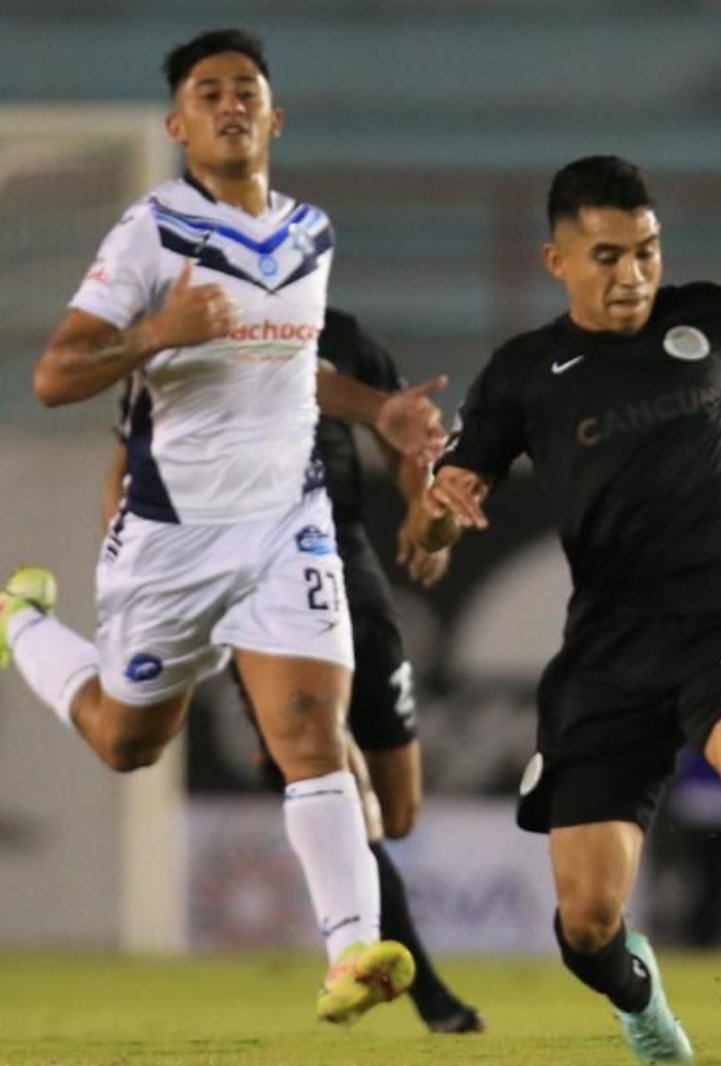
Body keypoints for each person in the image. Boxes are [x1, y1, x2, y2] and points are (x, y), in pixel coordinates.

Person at [0, 28, 447, 1025]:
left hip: (286, 522)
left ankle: (353, 953)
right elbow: (53, 372)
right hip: (173, 536)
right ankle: (23, 624)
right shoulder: (148, 233)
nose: (231, 103)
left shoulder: (310, 233)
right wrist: (154, 334)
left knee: (308, 730)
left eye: (246, 89)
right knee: (124, 741)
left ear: (275, 117)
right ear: (177, 125)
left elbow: (291, 365)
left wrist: (375, 409)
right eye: (208, 92)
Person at [406, 155, 721, 1064]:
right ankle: (641, 1001)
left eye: (646, 251)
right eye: (606, 256)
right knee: (588, 922)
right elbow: (432, 527)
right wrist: (440, 505)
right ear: (557, 261)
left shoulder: (705, 316)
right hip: (606, 649)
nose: (632, 275)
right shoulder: (524, 372)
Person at [97, 307, 484, 1032]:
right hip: (262, 591)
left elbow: (402, 438)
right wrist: (137, 583)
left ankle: (305, 775)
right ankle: (422, 990)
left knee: (398, 814)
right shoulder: (187, 341)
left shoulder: (339, 334)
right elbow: (128, 467)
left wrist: (420, 504)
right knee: (346, 786)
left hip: (349, 575)